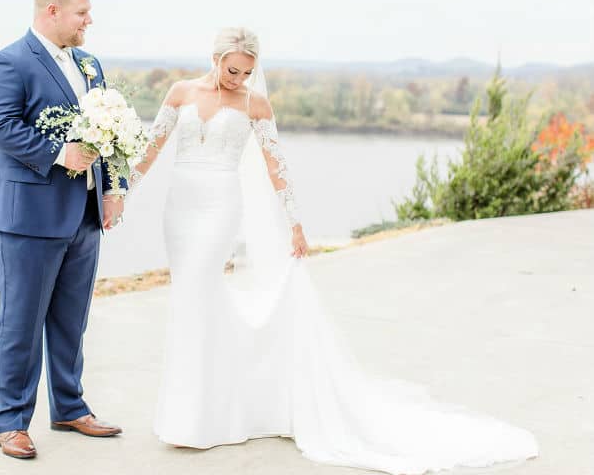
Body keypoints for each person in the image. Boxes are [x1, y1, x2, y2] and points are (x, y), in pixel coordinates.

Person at [129, 27, 539, 473]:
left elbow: (275, 164)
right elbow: (152, 148)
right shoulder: (181, 92)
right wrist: (120, 192)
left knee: (201, 295)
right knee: (188, 300)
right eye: (232, 70)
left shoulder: (254, 103)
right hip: (181, 207)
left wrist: (295, 222)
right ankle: (201, 407)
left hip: (220, 207)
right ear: (214, 57)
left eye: (247, 72)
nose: (238, 79)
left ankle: (199, 418)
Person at [0, 0, 126, 460]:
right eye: (83, 12)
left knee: (71, 319)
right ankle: (12, 422)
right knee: (20, 322)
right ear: (52, 11)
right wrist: (59, 154)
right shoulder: (10, 62)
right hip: (27, 217)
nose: (90, 20)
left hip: (84, 214)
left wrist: (112, 189)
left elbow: (106, 132)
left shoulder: (90, 64)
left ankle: (69, 406)